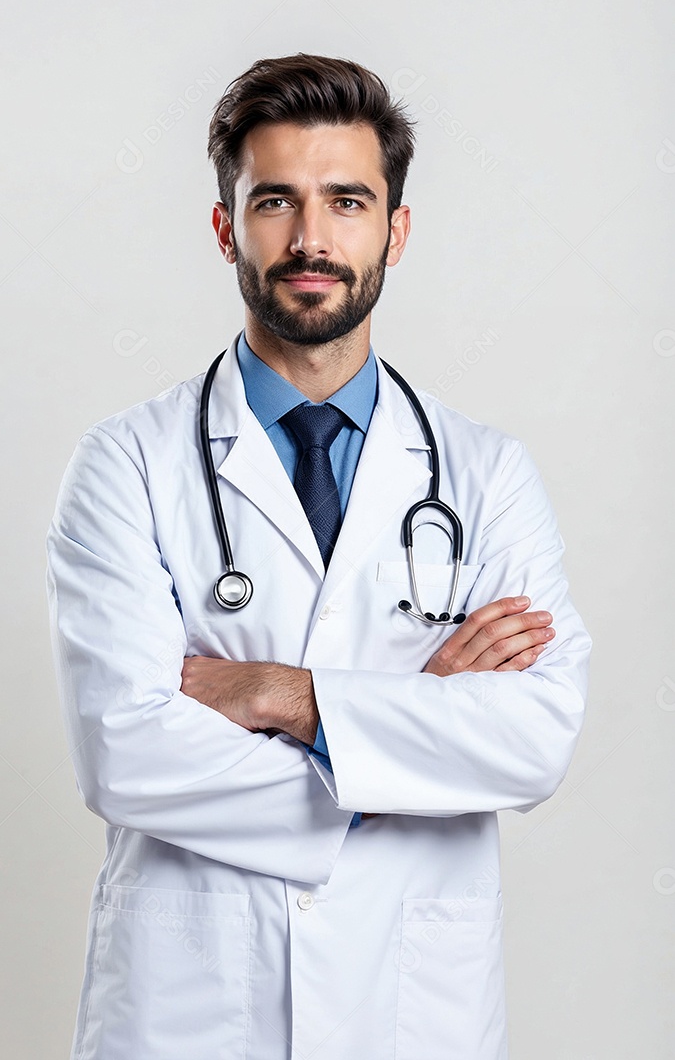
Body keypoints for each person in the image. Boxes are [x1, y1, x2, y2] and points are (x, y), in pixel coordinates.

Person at [46, 53, 591, 1060]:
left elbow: (532, 737)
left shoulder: (484, 474)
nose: (310, 240)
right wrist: (413, 725)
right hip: (192, 1010)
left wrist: (289, 697)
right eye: (273, 203)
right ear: (224, 230)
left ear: (396, 228)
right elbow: (126, 752)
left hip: (410, 1007)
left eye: (347, 200)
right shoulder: (128, 463)